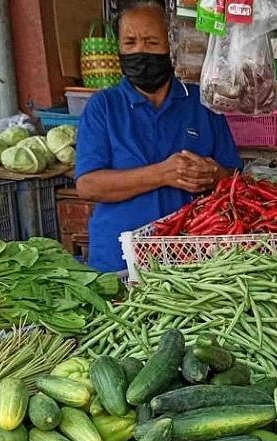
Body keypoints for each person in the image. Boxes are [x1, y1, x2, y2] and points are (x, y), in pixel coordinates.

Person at [76, 0, 242, 272]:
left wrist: (215, 175)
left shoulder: (201, 104)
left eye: (151, 42)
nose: (140, 51)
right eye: (129, 43)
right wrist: (163, 174)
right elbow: (88, 185)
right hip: (119, 260)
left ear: (171, 45)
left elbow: (235, 178)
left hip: (193, 257)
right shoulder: (103, 107)